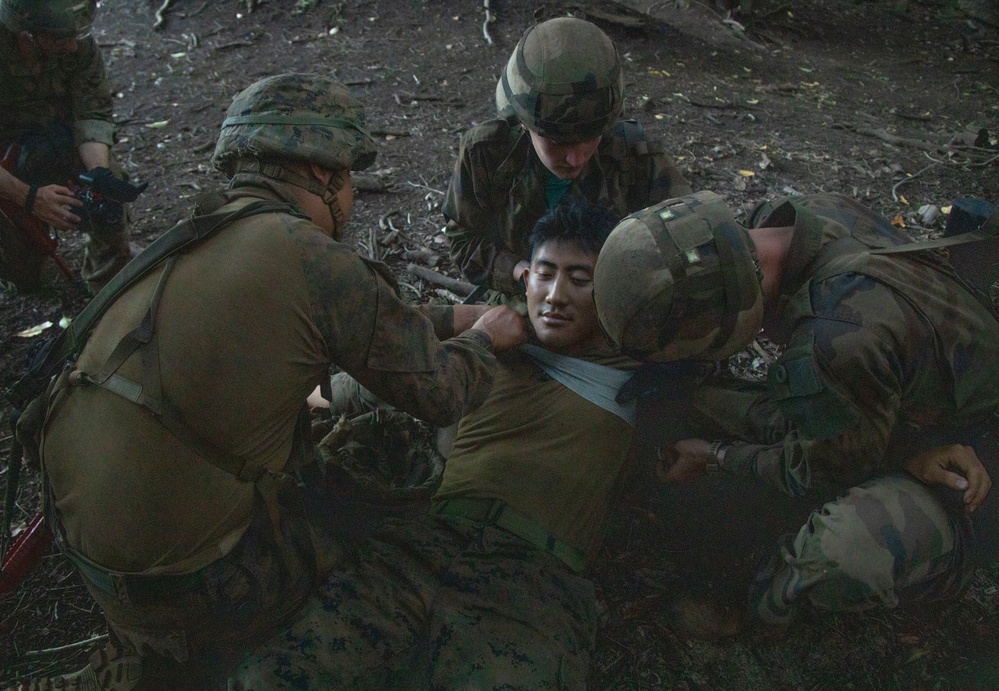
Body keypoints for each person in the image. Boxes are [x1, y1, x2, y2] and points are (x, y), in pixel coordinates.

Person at [33, 73, 526, 687]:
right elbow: (445, 392)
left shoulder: (189, 240)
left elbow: (341, 327)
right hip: (189, 591)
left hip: (93, 562)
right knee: (400, 532)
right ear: (326, 176)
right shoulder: (313, 257)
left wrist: (453, 317)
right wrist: (487, 339)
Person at [230, 197, 637, 689]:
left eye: (580, 279)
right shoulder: (483, 348)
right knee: (269, 680)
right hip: (421, 545)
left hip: (535, 582)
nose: (555, 295)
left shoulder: (640, 371)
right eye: (545, 274)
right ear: (525, 275)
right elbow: (360, 377)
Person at [593, 190, 998, 624]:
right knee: (707, 403)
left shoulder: (835, 336)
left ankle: (762, 597)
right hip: (907, 402)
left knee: (842, 552)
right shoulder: (794, 219)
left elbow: (817, 472)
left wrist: (715, 457)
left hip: (976, 465)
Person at [442, 16, 692, 299]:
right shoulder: (487, 154)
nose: (575, 158)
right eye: (558, 142)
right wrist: (523, 274)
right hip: (520, 301)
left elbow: (686, 234)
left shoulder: (633, 156)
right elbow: (464, 242)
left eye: (590, 138)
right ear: (524, 124)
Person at [0, 0, 134, 293]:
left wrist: (99, 174)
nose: (73, 46)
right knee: (23, 270)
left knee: (109, 194)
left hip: (55, 140)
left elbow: (92, 112)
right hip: (5, 163)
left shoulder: (74, 40)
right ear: (26, 35)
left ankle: (108, 290)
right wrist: (29, 198)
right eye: (61, 39)